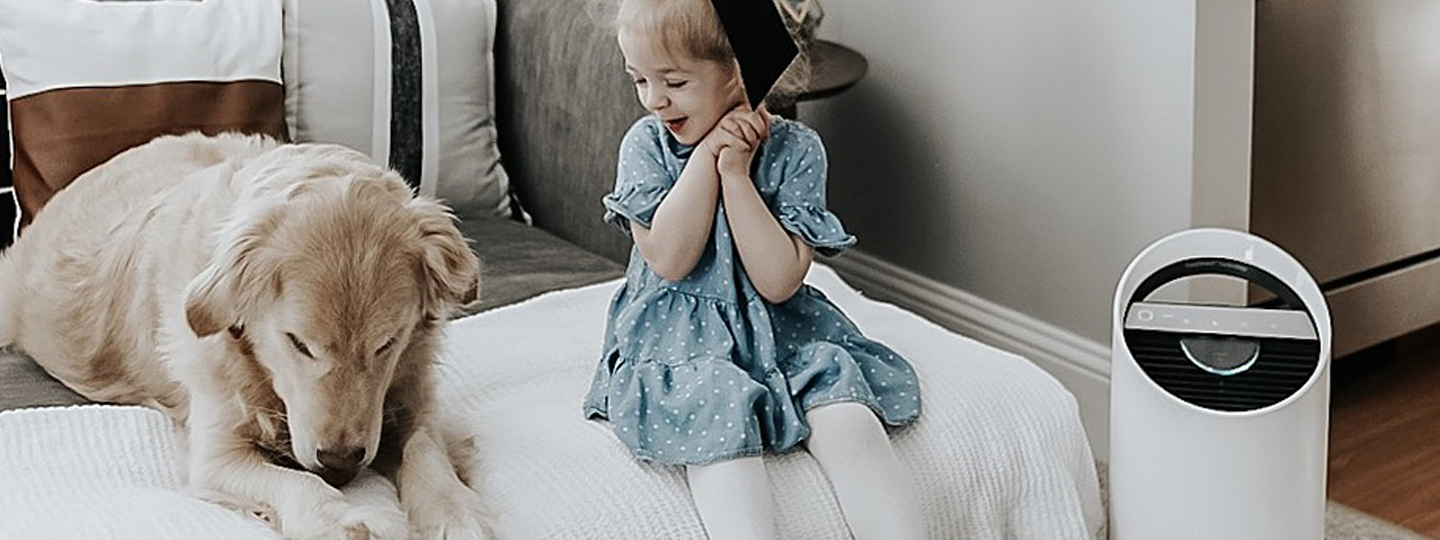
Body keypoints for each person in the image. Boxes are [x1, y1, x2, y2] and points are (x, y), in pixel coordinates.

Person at [583, 1, 925, 538]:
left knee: (847, 414)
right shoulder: (646, 146)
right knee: (715, 418)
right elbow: (671, 259)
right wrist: (704, 160)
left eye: (673, 81)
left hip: (780, 330)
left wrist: (737, 174)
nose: (653, 100)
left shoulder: (797, 151)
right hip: (681, 340)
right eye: (639, 80)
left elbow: (778, 279)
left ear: (738, 72)